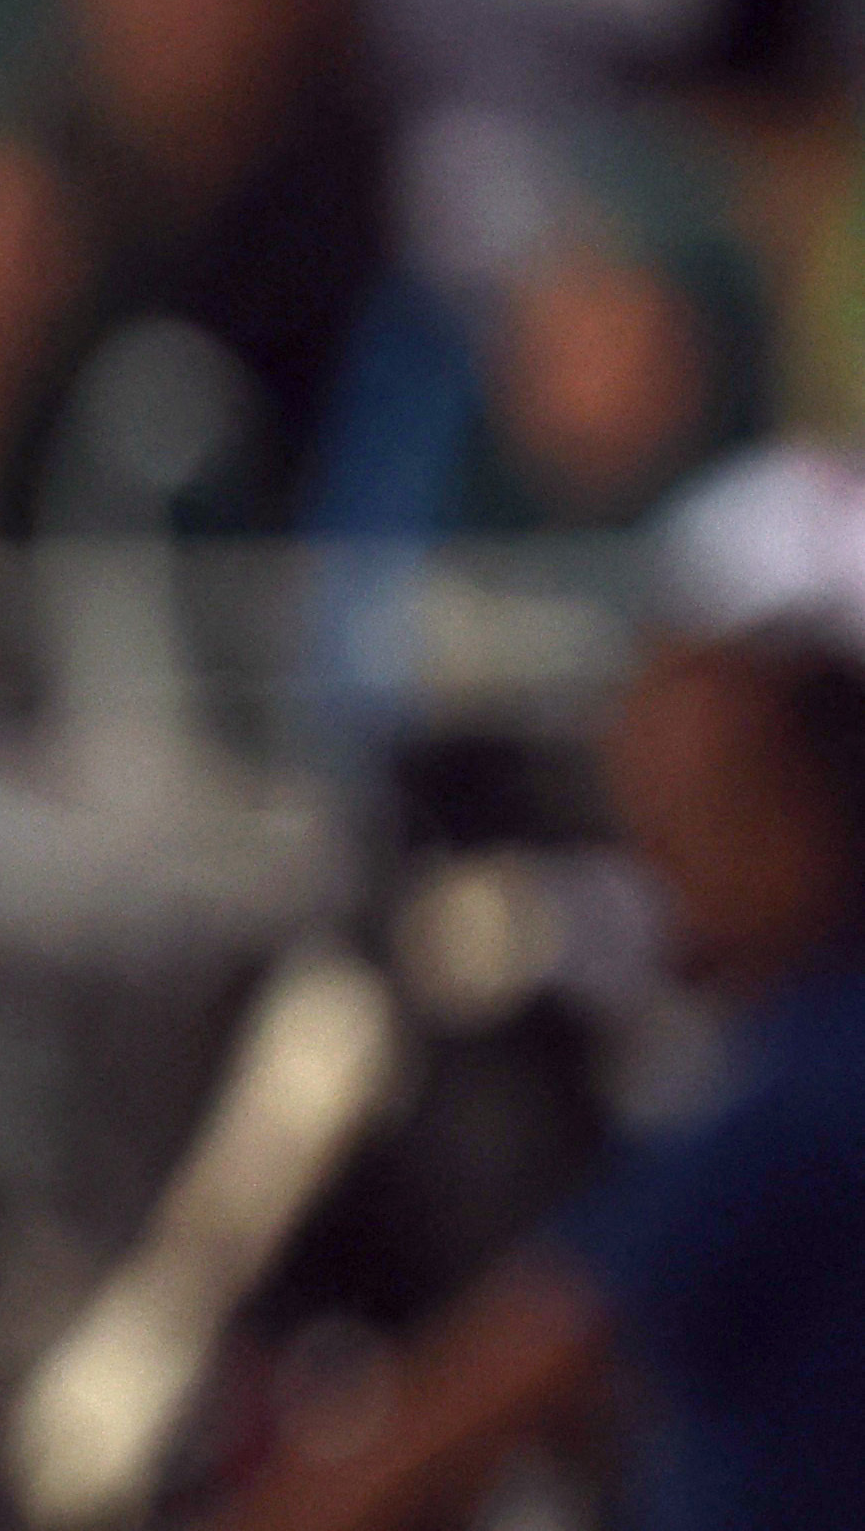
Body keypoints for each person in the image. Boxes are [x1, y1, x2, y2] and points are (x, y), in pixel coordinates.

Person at [204, 629, 865, 1531]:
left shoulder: (799, 1095)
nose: (652, 866)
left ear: (808, 818)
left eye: (697, 819)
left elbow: (478, 1400)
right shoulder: (775, 1056)